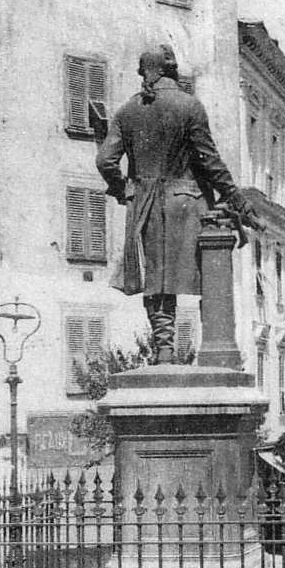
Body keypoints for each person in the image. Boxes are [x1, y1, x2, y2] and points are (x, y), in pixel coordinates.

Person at [96, 44, 254, 364]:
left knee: (157, 279)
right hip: (188, 203)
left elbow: (105, 160)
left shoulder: (127, 111)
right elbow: (210, 162)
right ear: (172, 69)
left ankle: (164, 348)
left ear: (146, 72)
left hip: (146, 205)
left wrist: (122, 188)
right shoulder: (190, 106)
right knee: (208, 272)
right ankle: (216, 348)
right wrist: (237, 200)